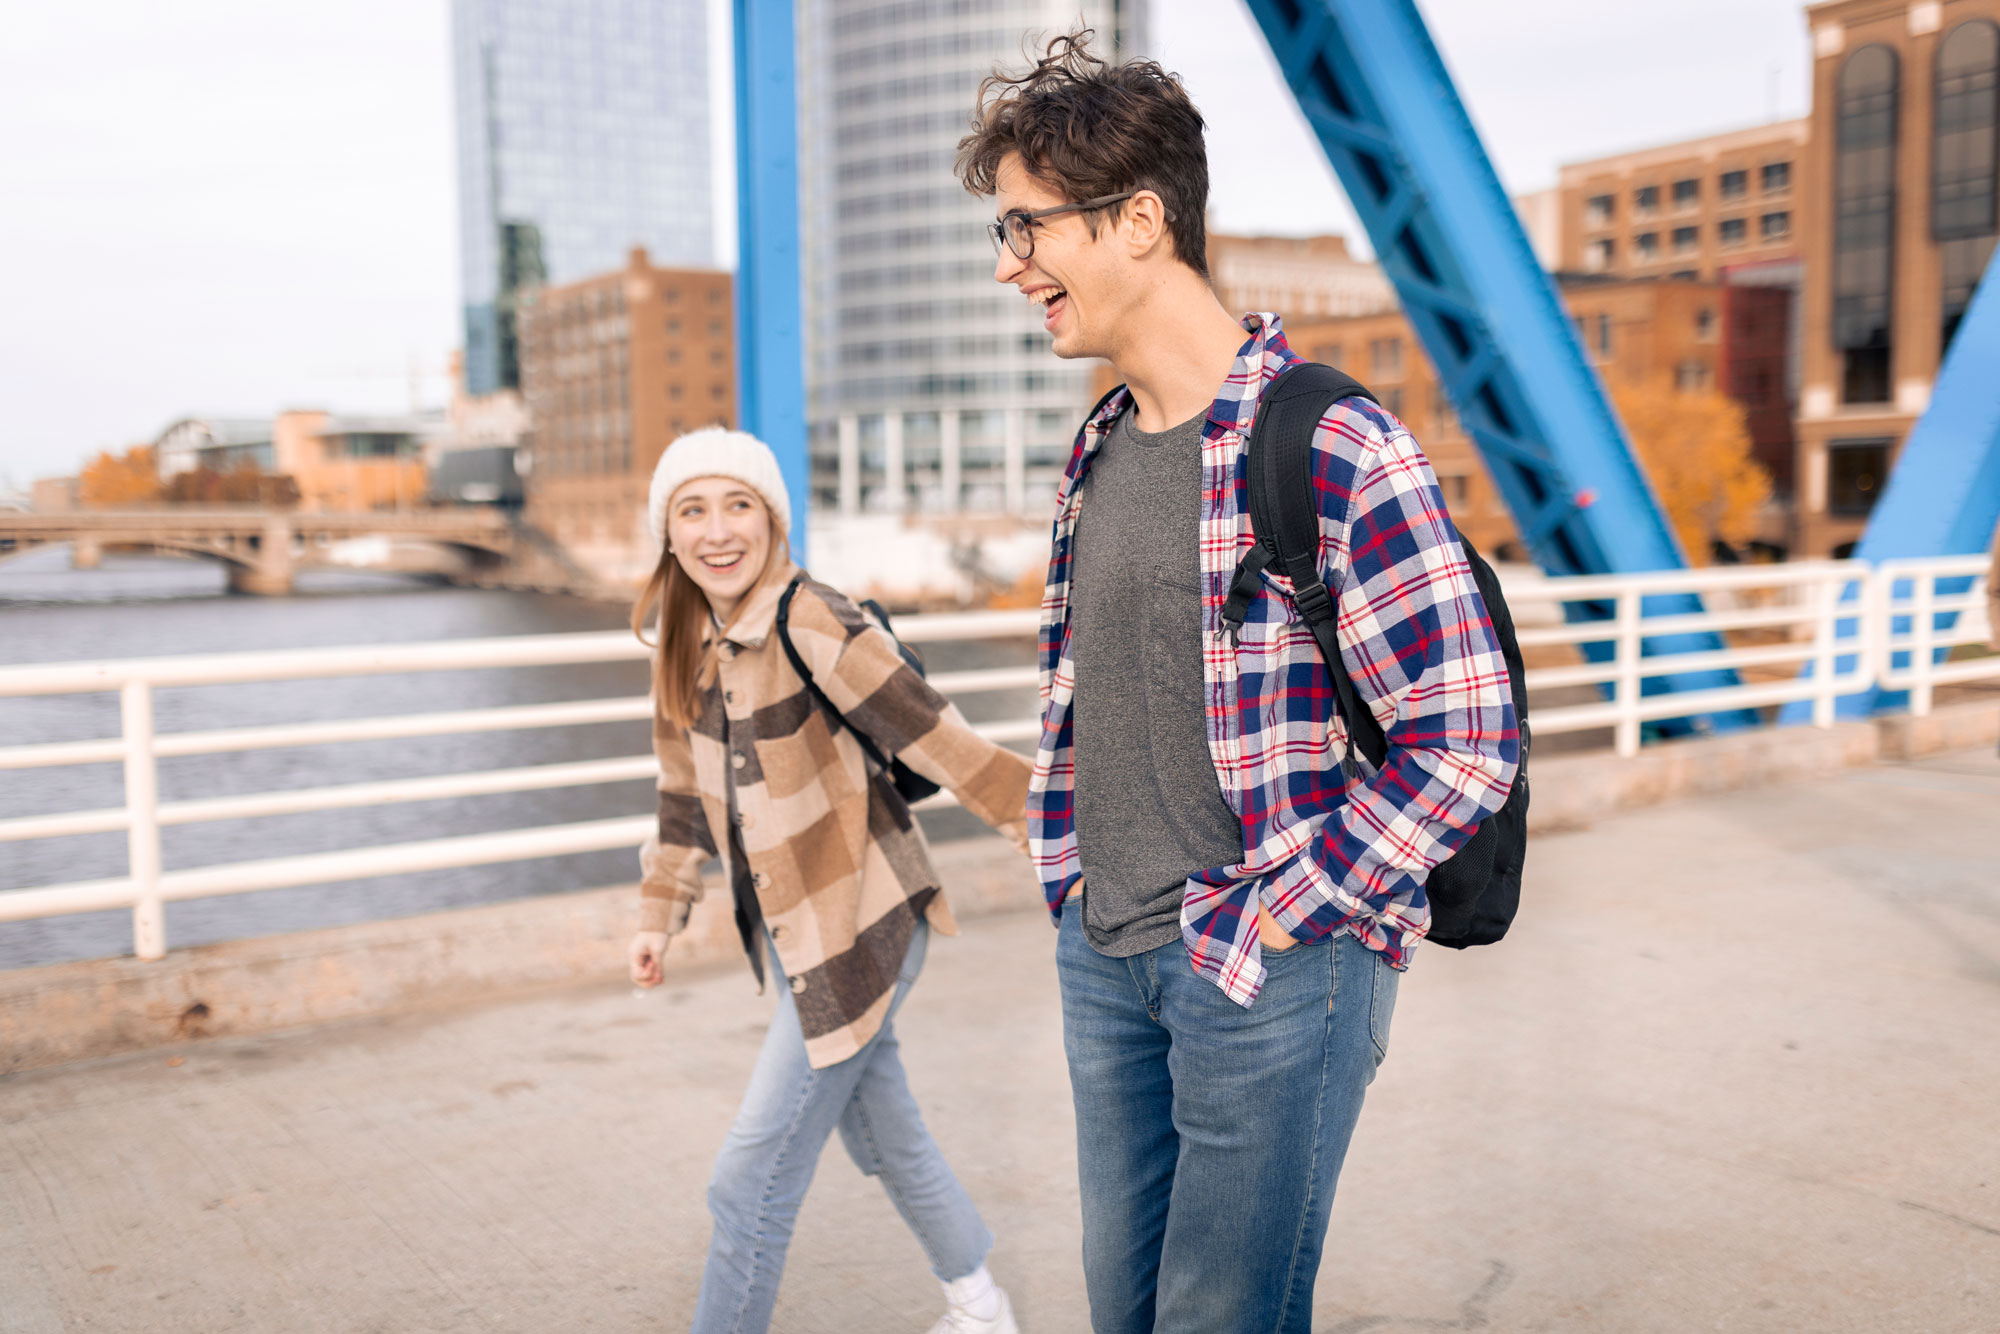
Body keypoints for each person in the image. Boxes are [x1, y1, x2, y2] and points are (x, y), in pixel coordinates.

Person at [954, 34, 1521, 1334]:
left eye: (1029, 227)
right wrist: (1071, 887)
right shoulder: (1097, 451)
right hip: (1108, 953)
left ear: (1139, 219)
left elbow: (1468, 740)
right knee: (1126, 1311)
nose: (1009, 265)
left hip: (1273, 964)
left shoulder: (1330, 443)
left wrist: (1273, 915)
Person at [627, 427, 1033, 1334]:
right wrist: (660, 911)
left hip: (863, 924)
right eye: (692, 510)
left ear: (772, 519)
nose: (717, 530)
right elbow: (683, 794)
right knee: (884, 1129)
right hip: (793, 929)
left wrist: (1041, 825)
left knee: (748, 1183)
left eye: (739, 505)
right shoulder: (687, 648)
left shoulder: (810, 617)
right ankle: (980, 1306)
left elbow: (932, 732)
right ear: (669, 534)